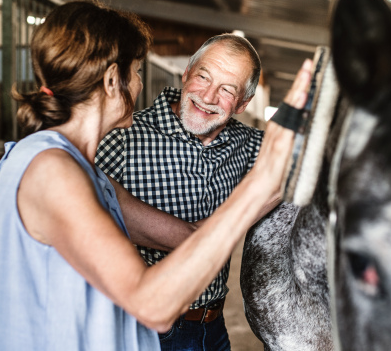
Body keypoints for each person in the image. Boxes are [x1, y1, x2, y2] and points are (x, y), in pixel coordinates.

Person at [0, 0, 313, 351]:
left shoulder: (87, 175)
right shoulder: (51, 170)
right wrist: (259, 185)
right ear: (112, 81)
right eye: (138, 72)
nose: (140, 84)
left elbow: (190, 236)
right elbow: (150, 305)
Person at [95, 33, 268, 351]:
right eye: (203, 77)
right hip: (144, 330)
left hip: (213, 328)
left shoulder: (250, 144)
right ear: (186, 73)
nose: (209, 96)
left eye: (227, 90)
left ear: (243, 104)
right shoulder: (122, 139)